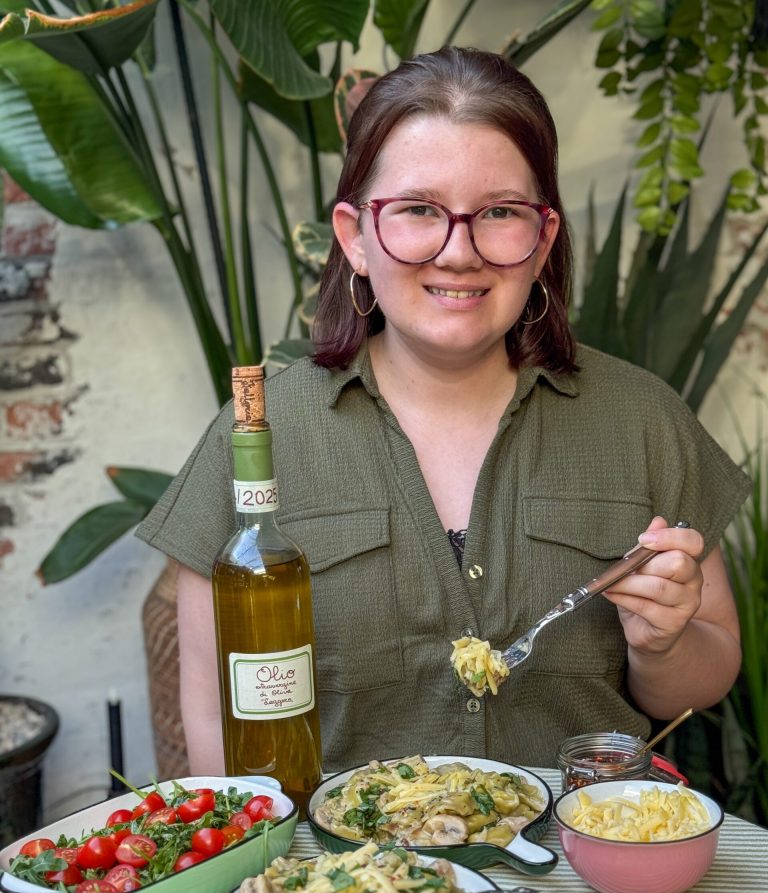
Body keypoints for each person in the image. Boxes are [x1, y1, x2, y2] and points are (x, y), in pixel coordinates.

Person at [137, 46, 751, 775]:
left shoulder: (642, 419)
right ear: (355, 237)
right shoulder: (261, 434)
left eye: (498, 213)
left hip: (581, 877)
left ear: (543, 238)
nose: (459, 253)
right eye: (419, 211)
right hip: (343, 881)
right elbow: (212, 715)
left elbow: (706, 677)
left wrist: (665, 643)